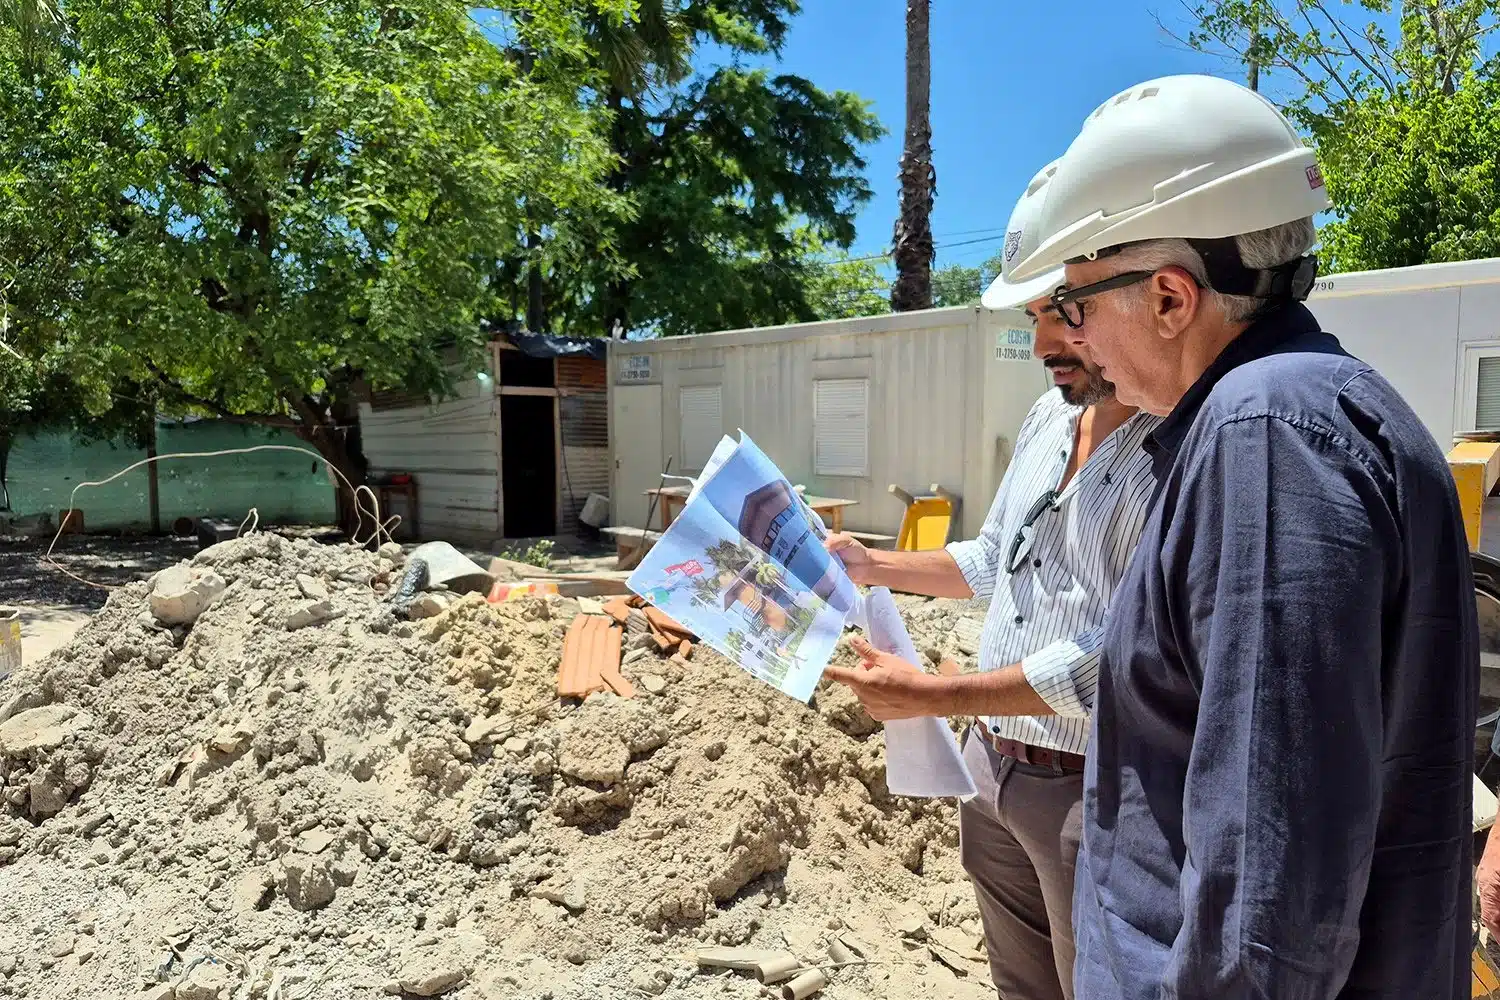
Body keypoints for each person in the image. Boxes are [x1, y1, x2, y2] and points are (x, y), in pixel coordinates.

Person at [1003, 73, 1478, 998]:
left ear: (1173, 299)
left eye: (1076, 305)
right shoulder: (1305, 410)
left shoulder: (1265, 434)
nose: (1069, 341)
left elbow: (1270, 897)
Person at [822, 160, 1161, 1000]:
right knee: (1022, 984)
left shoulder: (1184, 444)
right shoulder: (1050, 415)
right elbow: (994, 558)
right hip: (993, 775)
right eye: (1039, 315)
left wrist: (938, 696)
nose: (1045, 343)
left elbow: (1113, 658)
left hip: (1092, 788)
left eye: (1064, 315)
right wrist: (874, 564)